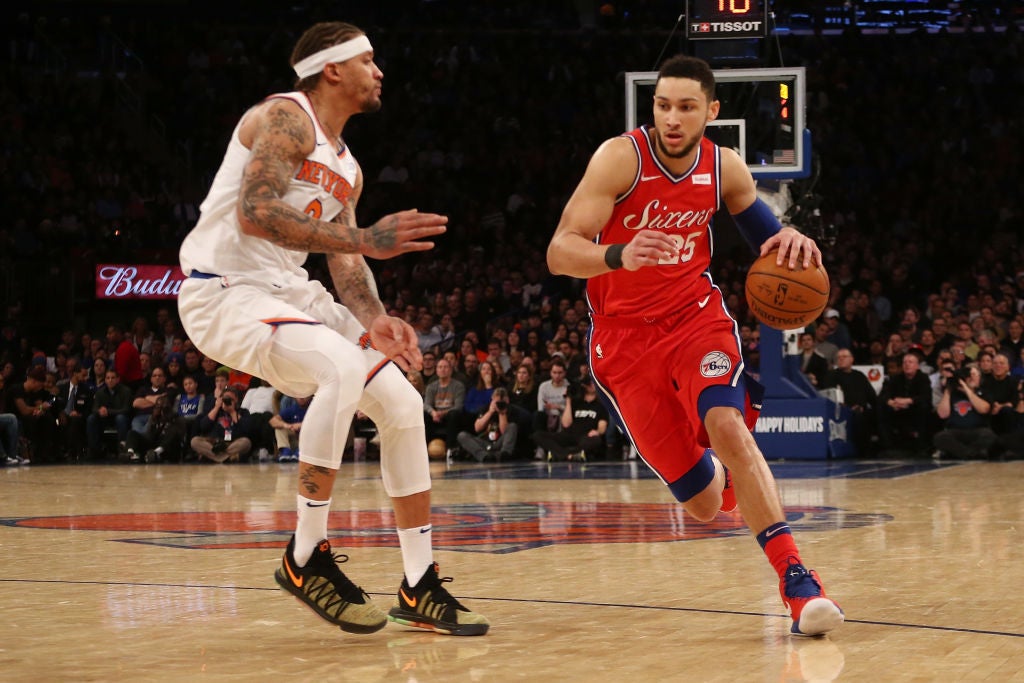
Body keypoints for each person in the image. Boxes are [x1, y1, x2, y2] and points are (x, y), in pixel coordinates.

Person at [176, 21, 486, 636]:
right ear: (333, 69)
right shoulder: (285, 118)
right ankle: (304, 557)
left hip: (289, 291)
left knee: (401, 403)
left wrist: (376, 320)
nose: (380, 72)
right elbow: (257, 212)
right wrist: (368, 238)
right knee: (339, 370)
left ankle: (419, 584)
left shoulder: (348, 163)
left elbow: (345, 261)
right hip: (226, 288)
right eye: (368, 61)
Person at [545, 55, 841, 636]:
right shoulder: (618, 159)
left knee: (728, 427)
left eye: (686, 107)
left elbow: (767, 237)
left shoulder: (724, 167)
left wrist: (789, 238)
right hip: (623, 342)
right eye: (662, 105)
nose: (673, 118)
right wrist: (616, 254)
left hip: (694, 320)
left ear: (712, 111)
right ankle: (731, 478)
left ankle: (798, 583)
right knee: (705, 505)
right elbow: (560, 252)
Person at [532, 375, 609, 462]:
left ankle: (560, 454)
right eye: (590, 383)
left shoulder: (601, 405)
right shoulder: (576, 403)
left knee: (596, 440)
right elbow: (566, 424)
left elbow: (602, 426)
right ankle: (570, 455)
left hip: (585, 436)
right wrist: (568, 400)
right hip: (569, 434)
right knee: (537, 435)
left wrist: (597, 432)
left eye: (593, 383)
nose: (592, 386)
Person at [933, 364, 995, 459]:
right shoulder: (952, 393)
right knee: (940, 437)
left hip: (977, 430)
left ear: (980, 378)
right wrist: (949, 389)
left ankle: (961, 453)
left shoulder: (983, 392)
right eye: (969, 375)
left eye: (974, 375)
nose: (971, 378)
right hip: (955, 431)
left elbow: (984, 409)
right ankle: (970, 454)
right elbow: (942, 414)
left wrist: (967, 390)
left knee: (989, 436)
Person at [877, 351, 933, 455]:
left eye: (910, 362)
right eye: (905, 362)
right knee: (881, 408)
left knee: (923, 407)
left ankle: (922, 447)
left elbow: (925, 396)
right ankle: (887, 446)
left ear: (917, 366)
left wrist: (908, 401)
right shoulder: (896, 378)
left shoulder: (923, 378)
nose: (907, 364)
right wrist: (891, 402)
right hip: (897, 409)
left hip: (915, 409)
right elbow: (883, 395)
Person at [456, 387, 518, 462]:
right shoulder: (485, 408)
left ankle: (504, 455)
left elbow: (504, 432)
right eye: (497, 401)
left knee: (512, 426)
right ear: (492, 399)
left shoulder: (512, 410)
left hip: (500, 443)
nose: (499, 404)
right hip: (485, 443)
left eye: (502, 401)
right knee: (462, 435)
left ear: (507, 400)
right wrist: (490, 412)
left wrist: (502, 413)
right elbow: (477, 428)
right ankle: (485, 457)